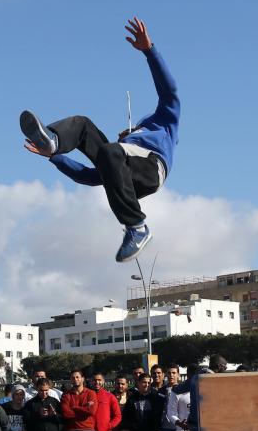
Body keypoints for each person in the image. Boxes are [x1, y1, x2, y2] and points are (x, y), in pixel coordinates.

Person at [20, 16, 180, 263]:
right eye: (123, 135)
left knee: (110, 151)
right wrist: (54, 157)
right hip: (126, 172)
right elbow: (87, 176)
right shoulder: (116, 154)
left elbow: (169, 92)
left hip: (151, 168)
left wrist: (150, 51)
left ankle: (137, 227)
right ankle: (54, 139)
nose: (121, 134)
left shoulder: (161, 123)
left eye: (125, 134)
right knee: (85, 126)